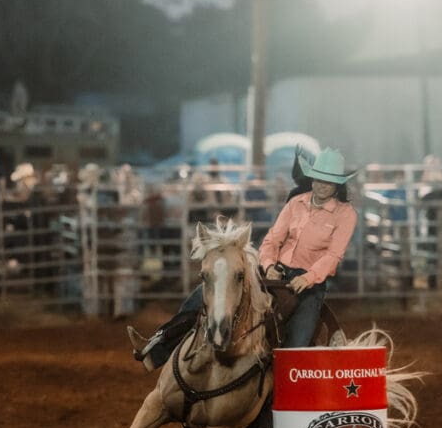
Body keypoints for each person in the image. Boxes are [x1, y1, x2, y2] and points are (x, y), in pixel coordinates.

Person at [127, 147, 358, 372]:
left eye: (327, 182)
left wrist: (308, 278)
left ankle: (280, 397)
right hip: (274, 270)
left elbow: (333, 255)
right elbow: (272, 240)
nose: (320, 185)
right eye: (317, 179)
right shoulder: (296, 203)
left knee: (296, 344)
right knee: (206, 293)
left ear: (337, 185)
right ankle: (157, 347)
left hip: (308, 284)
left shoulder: (345, 214)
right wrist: (268, 265)